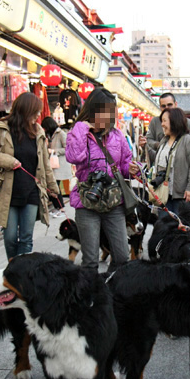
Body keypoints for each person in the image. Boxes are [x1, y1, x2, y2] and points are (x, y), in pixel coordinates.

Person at [65, 88, 140, 271]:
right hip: (87, 203)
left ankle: (111, 289)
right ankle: (91, 297)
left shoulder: (117, 135)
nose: (108, 116)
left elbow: (124, 164)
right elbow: (74, 156)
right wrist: (82, 127)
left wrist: (131, 169)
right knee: (90, 260)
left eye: (110, 111)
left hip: (113, 202)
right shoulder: (79, 132)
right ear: (93, 110)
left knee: (121, 255)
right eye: (104, 111)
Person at [0, 92, 59, 260]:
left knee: (26, 238)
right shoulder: (1, 129)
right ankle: (13, 270)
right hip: (9, 192)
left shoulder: (38, 132)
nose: (38, 115)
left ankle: (21, 278)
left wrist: (53, 189)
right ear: (25, 110)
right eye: (35, 111)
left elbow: (45, 165)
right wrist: (7, 160)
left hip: (31, 192)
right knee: (9, 238)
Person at [147, 107, 190, 214]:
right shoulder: (164, 140)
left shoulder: (188, 141)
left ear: (174, 121)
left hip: (180, 195)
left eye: (165, 121)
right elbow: (157, 159)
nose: (162, 124)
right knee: (165, 227)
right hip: (162, 194)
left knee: (181, 227)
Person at [139, 92, 190, 157]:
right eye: (163, 106)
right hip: (158, 160)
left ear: (175, 104)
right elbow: (148, 140)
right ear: (160, 107)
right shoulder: (155, 122)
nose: (167, 108)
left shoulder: (186, 121)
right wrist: (158, 144)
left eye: (170, 105)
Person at [41, 116, 71, 217]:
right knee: (53, 186)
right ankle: (58, 207)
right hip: (53, 164)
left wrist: (54, 151)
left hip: (59, 165)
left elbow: (67, 148)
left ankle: (61, 208)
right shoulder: (51, 135)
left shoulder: (61, 133)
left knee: (54, 186)